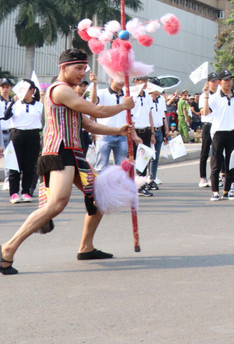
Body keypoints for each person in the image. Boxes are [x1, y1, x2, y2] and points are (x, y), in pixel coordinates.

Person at [1, 48, 136, 275]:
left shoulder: (70, 93)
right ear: (63, 68)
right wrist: (123, 106)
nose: (82, 73)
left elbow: (89, 124)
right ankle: (8, 248)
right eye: (78, 68)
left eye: (84, 68)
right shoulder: (60, 90)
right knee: (56, 204)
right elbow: (95, 109)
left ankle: (86, 247)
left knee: (99, 197)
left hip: (75, 153)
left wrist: (119, 130)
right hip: (59, 152)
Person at [201, 70, 234, 201]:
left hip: (233, 133)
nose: (229, 82)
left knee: (231, 163)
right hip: (218, 133)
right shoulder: (215, 97)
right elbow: (205, 112)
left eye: (230, 80)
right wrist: (206, 96)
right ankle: (215, 191)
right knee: (216, 163)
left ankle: (227, 191)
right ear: (219, 82)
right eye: (226, 80)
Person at [3, 79, 43, 204]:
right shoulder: (16, 104)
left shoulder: (39, 105)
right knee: (14, 165)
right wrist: (12, 102)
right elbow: (6, 116)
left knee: (29, 165)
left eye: (26, 90)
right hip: (17, 135)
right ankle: (14, 193)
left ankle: (26, 192)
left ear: (32, 91)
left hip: (33, 135)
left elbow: (44, 121)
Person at [91, 76, 129, 172]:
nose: (121, 82)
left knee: (122, 167)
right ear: (111, 79)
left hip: (122, 134)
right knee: (101, 166)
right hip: (104, 134)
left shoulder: (127, 96)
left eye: (123, 80)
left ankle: (119, 182)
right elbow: (93, 102)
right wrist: (94, 84)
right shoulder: (102, 93)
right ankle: (100, 182)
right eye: (119, 79)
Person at [197, 71, 218, 186]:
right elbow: (203, 112)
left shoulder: (220, 95)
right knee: (205, 152)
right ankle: (202, 177)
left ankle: (214, 177)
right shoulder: (203, 96)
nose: (215, 84)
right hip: (207, 125)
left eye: (217, 81)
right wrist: (206, 95)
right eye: (213, 81)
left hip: (217, 125)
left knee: (217, 153)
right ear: (208, 83)